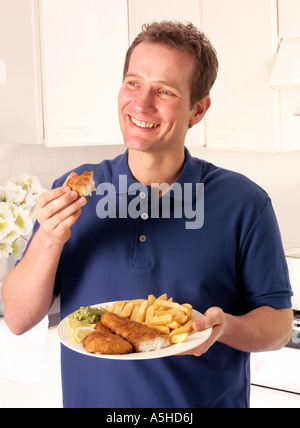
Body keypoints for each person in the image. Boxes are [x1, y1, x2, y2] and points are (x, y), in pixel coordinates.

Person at [2, 21, 293, 408]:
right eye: (133, 83)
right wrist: (49, 238)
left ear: (198, 109)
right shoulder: (71, 192)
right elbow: (18, 319)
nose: (141, 104)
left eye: (166, 91)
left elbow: (278, 326)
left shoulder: (243, 202)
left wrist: (225, 328)